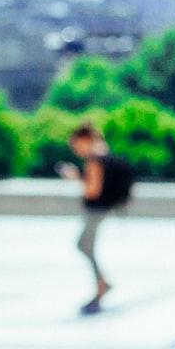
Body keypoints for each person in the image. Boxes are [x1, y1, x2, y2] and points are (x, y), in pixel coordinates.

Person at [58, 122, 133, 314]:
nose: (75, 150)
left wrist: (76, 177)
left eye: (76, 145)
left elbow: (93, 190)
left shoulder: (94, 160)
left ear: (85, 140)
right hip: (103, 209)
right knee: (85, 246)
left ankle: (101, 285)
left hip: (96, 210)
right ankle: (101, 284)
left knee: (84, 245)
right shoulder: (103, 153)